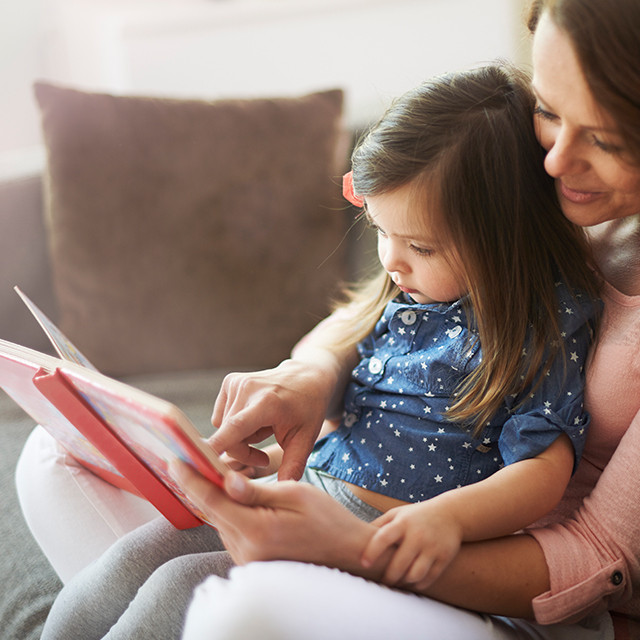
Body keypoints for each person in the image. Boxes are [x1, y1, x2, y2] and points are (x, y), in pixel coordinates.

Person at [15, 0, 640, 637]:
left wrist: (437, 524)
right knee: (104, 516)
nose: (556, 162)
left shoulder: (542, 317)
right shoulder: (439, 268)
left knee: (198, 593)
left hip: (418, 550)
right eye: (550, 111)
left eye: (605, 137)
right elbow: (353, 322)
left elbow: (551, 487)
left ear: (503, 236)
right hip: (321, 489)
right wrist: (303, 379)